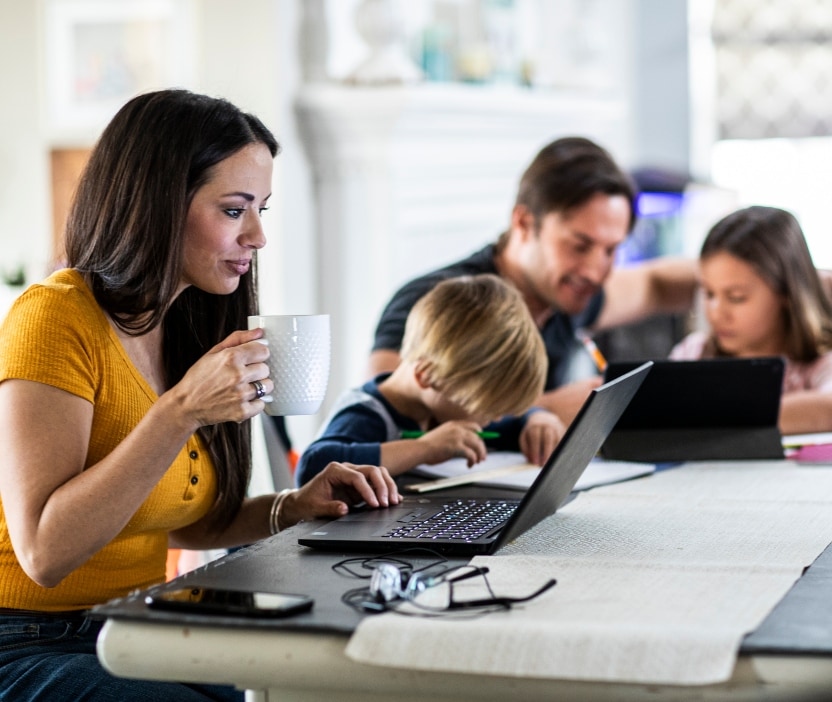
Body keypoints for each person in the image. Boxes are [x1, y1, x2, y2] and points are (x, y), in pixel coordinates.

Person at [0, 89, 399, 701]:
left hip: (132, 622)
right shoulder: (53, 318)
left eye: (262, 208)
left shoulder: (189, 324)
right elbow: (45, 552)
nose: (259, 236)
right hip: (27, 638)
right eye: (235, 210)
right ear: (158, 204)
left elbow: (179, 521)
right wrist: (181, 410)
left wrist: (291, 507)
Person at [368, 136, 698, 425]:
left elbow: (657, 284)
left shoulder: (571, 294)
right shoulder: (435, 303)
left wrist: (738, 277)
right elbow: (386, 410)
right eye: (579, 246)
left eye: (611, 250)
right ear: (524, 223)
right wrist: (545, 408)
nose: (596, 271)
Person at [296, 274, 565, 486]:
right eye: (490, 410)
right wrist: (424, 448)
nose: (495, 420)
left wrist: (536, 418)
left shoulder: (439, 406)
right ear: (428, 376)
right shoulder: (365, 414)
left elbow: (507, 427)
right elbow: (312, 466)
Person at [669, 205, 832, 435]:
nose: (716, 313)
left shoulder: (820, 364)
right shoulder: (694, 353)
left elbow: (828, 408)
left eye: (736, 298)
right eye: (709, 294)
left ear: (786, 292)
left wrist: (710, 413)